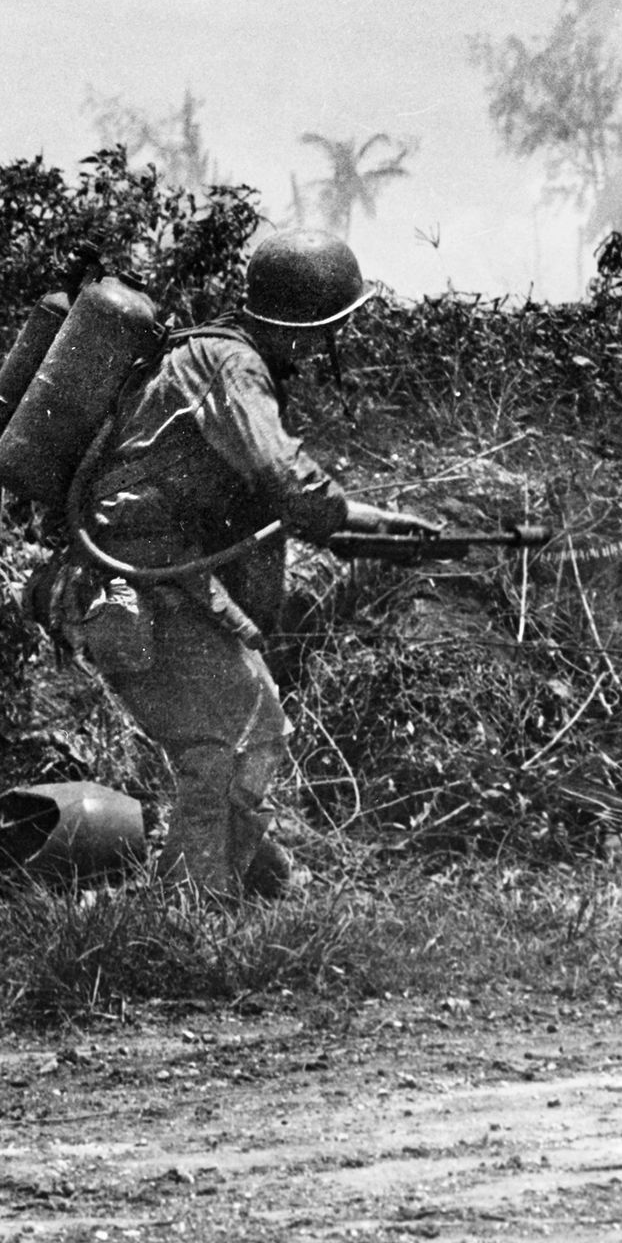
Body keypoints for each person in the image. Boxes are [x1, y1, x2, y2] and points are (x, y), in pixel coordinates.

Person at [72, 229, 433, 900]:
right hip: (141, 571)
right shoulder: (233, 365)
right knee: (234, 733)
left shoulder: (214, 351)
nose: (324, 349)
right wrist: (361, 517)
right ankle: (196, 908)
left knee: (240, 720)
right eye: (326, 332)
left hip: (157, 566)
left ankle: (239, 882)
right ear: (301, 327)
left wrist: (375, 527)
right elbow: (286, 480)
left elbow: (268, 500)